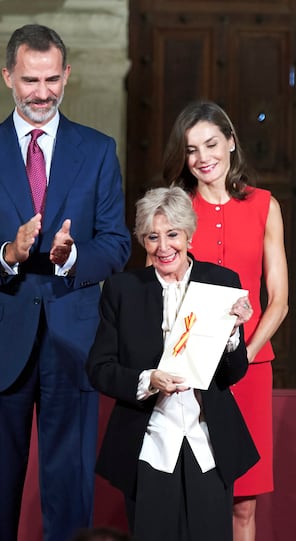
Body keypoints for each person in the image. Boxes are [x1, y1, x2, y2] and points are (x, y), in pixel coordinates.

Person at [0, 24, 130, 541]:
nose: (42, 92)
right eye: (29, 80)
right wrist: (9, 253)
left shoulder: (98, 150)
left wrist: (71, 258)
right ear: (7, 77)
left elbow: (117, 243)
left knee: (70, 500)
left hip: (75, 343)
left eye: (51, 79)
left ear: (67, 75)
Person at [86, 186, 259, 541]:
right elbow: (99, 368)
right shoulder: (122, 289)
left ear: (189, 235)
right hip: (149, 443)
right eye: (153, 236)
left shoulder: (222, 283)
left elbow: (232, 373)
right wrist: (149, 379)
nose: (163, 247)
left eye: (172, 234)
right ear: (142, 240)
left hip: (207, 442)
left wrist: (232, 335)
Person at [162, 100, 289, 541]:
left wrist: (244, 357)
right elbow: (157, 294)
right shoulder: (175, 212)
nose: (203, 158)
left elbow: (280, 301)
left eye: (212, 144)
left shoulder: (263, 206)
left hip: (249, 372)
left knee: (243, 505)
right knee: (190, 494)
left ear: (231, 142)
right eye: (192, 149)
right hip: (188, 374)